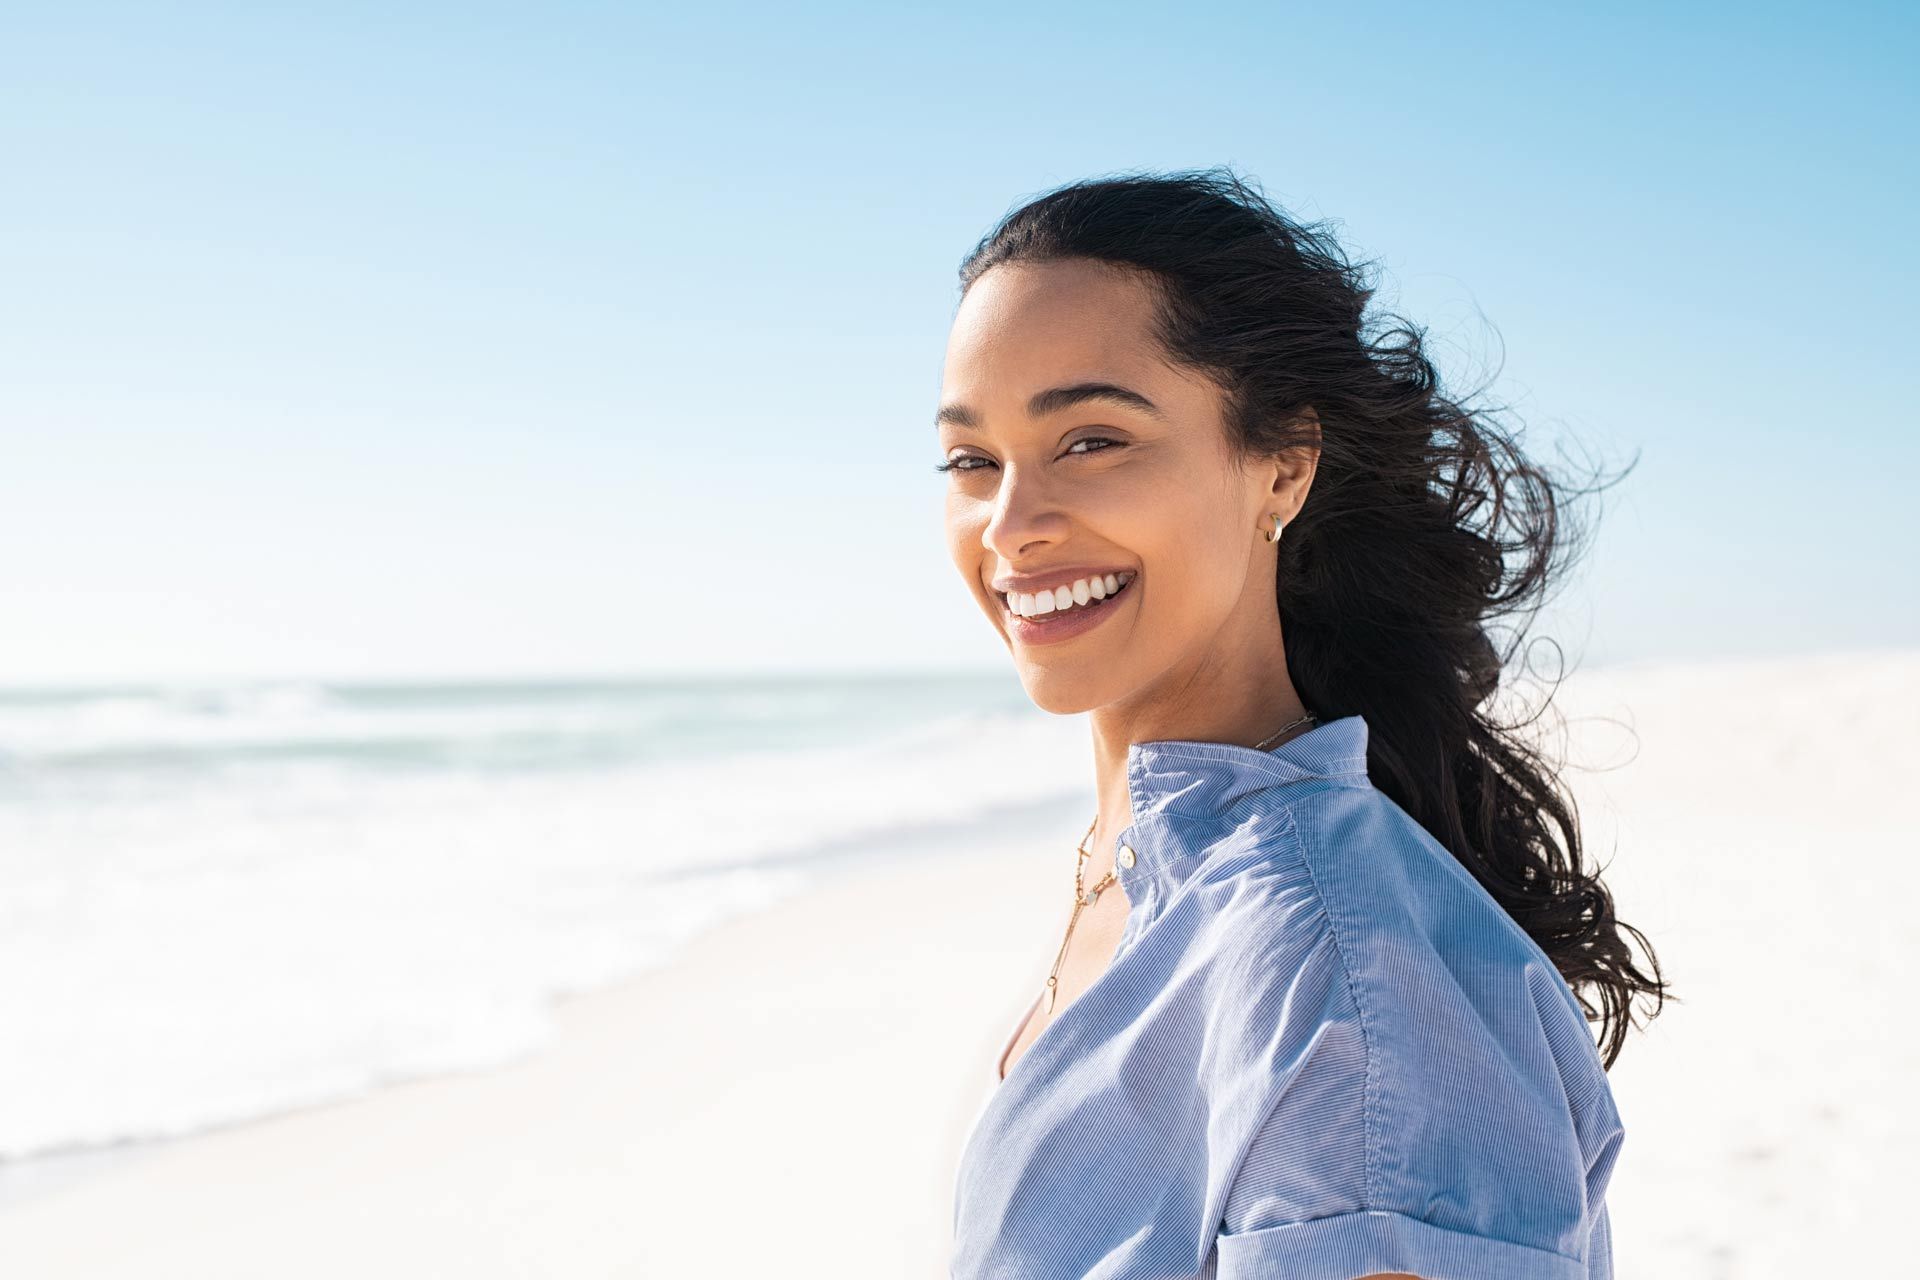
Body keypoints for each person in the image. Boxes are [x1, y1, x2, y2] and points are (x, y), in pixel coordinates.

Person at [937, 168, 1669, 1280]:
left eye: (1092, 441)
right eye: (972, 460)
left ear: (1282, 462)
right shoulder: (1146, 862)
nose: (1012, 524)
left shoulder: (1346, 984)